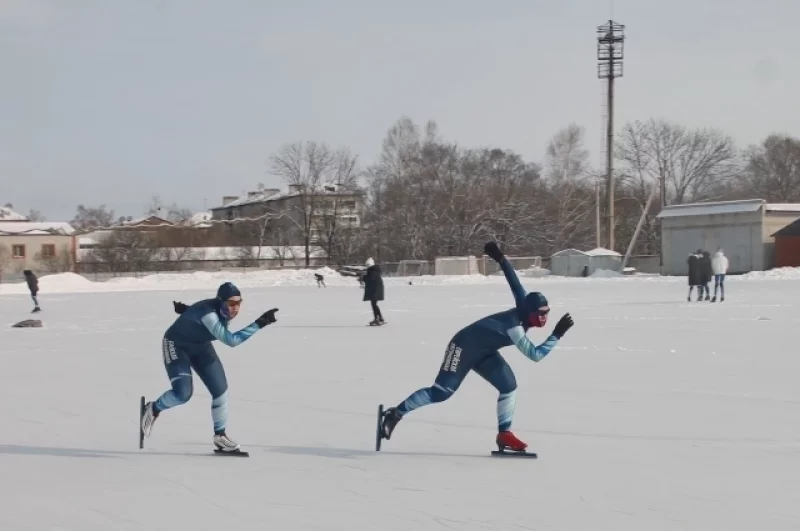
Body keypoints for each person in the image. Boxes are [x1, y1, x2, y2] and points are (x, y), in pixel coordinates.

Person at [379, 241, 574, 452]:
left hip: (485, 351)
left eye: (547, 312)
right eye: (542, 313)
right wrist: (557, 334)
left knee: (509, 387)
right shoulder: (515, 328)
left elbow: (513, 281)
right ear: (531, 312)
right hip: (462, 346)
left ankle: (504, 434)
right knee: (441, 393)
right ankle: (395, 414)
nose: (545, 316)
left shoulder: (524, 304)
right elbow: (535, 355)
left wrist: (500, 257)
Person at [140, 282, 278, 453]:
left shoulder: (218, 310)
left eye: (239, 303)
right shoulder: (210, 315)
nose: (236, 308)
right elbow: (231, 340)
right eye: (231, 303)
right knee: (183, 394)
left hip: (200, 346)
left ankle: (220, 436)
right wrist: (260, 323)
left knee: (220, 391)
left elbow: (200, 315)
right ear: (221, 302)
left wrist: (187, 311)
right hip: (177, 345)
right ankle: (153, 408)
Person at [362, 258, 385, 325]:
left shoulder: (372, 271)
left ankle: (377, 318)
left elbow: (370, 279)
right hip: (376, 289)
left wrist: (363, 277)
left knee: (374, 304)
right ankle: (380, 318)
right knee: (374, 304)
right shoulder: (374, 270)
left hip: (376, 290)